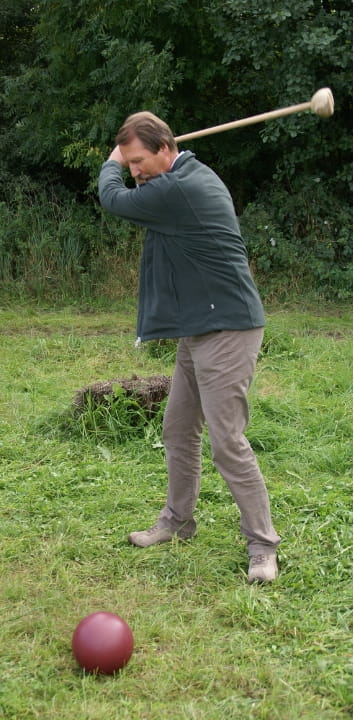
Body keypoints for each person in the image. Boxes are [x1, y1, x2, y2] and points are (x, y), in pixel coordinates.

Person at [99, 111, 281, 583]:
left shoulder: (180, 189)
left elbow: (113, 199)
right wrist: (128, 159)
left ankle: (263, 547)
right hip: (198, 326)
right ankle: (177, 522)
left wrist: (111, 161)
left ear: (163, 148)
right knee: (179, 429)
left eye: (138, 160)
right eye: (130, 161)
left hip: (228, 329)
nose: (134, 170)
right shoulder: (180, 174)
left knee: (227, 442)